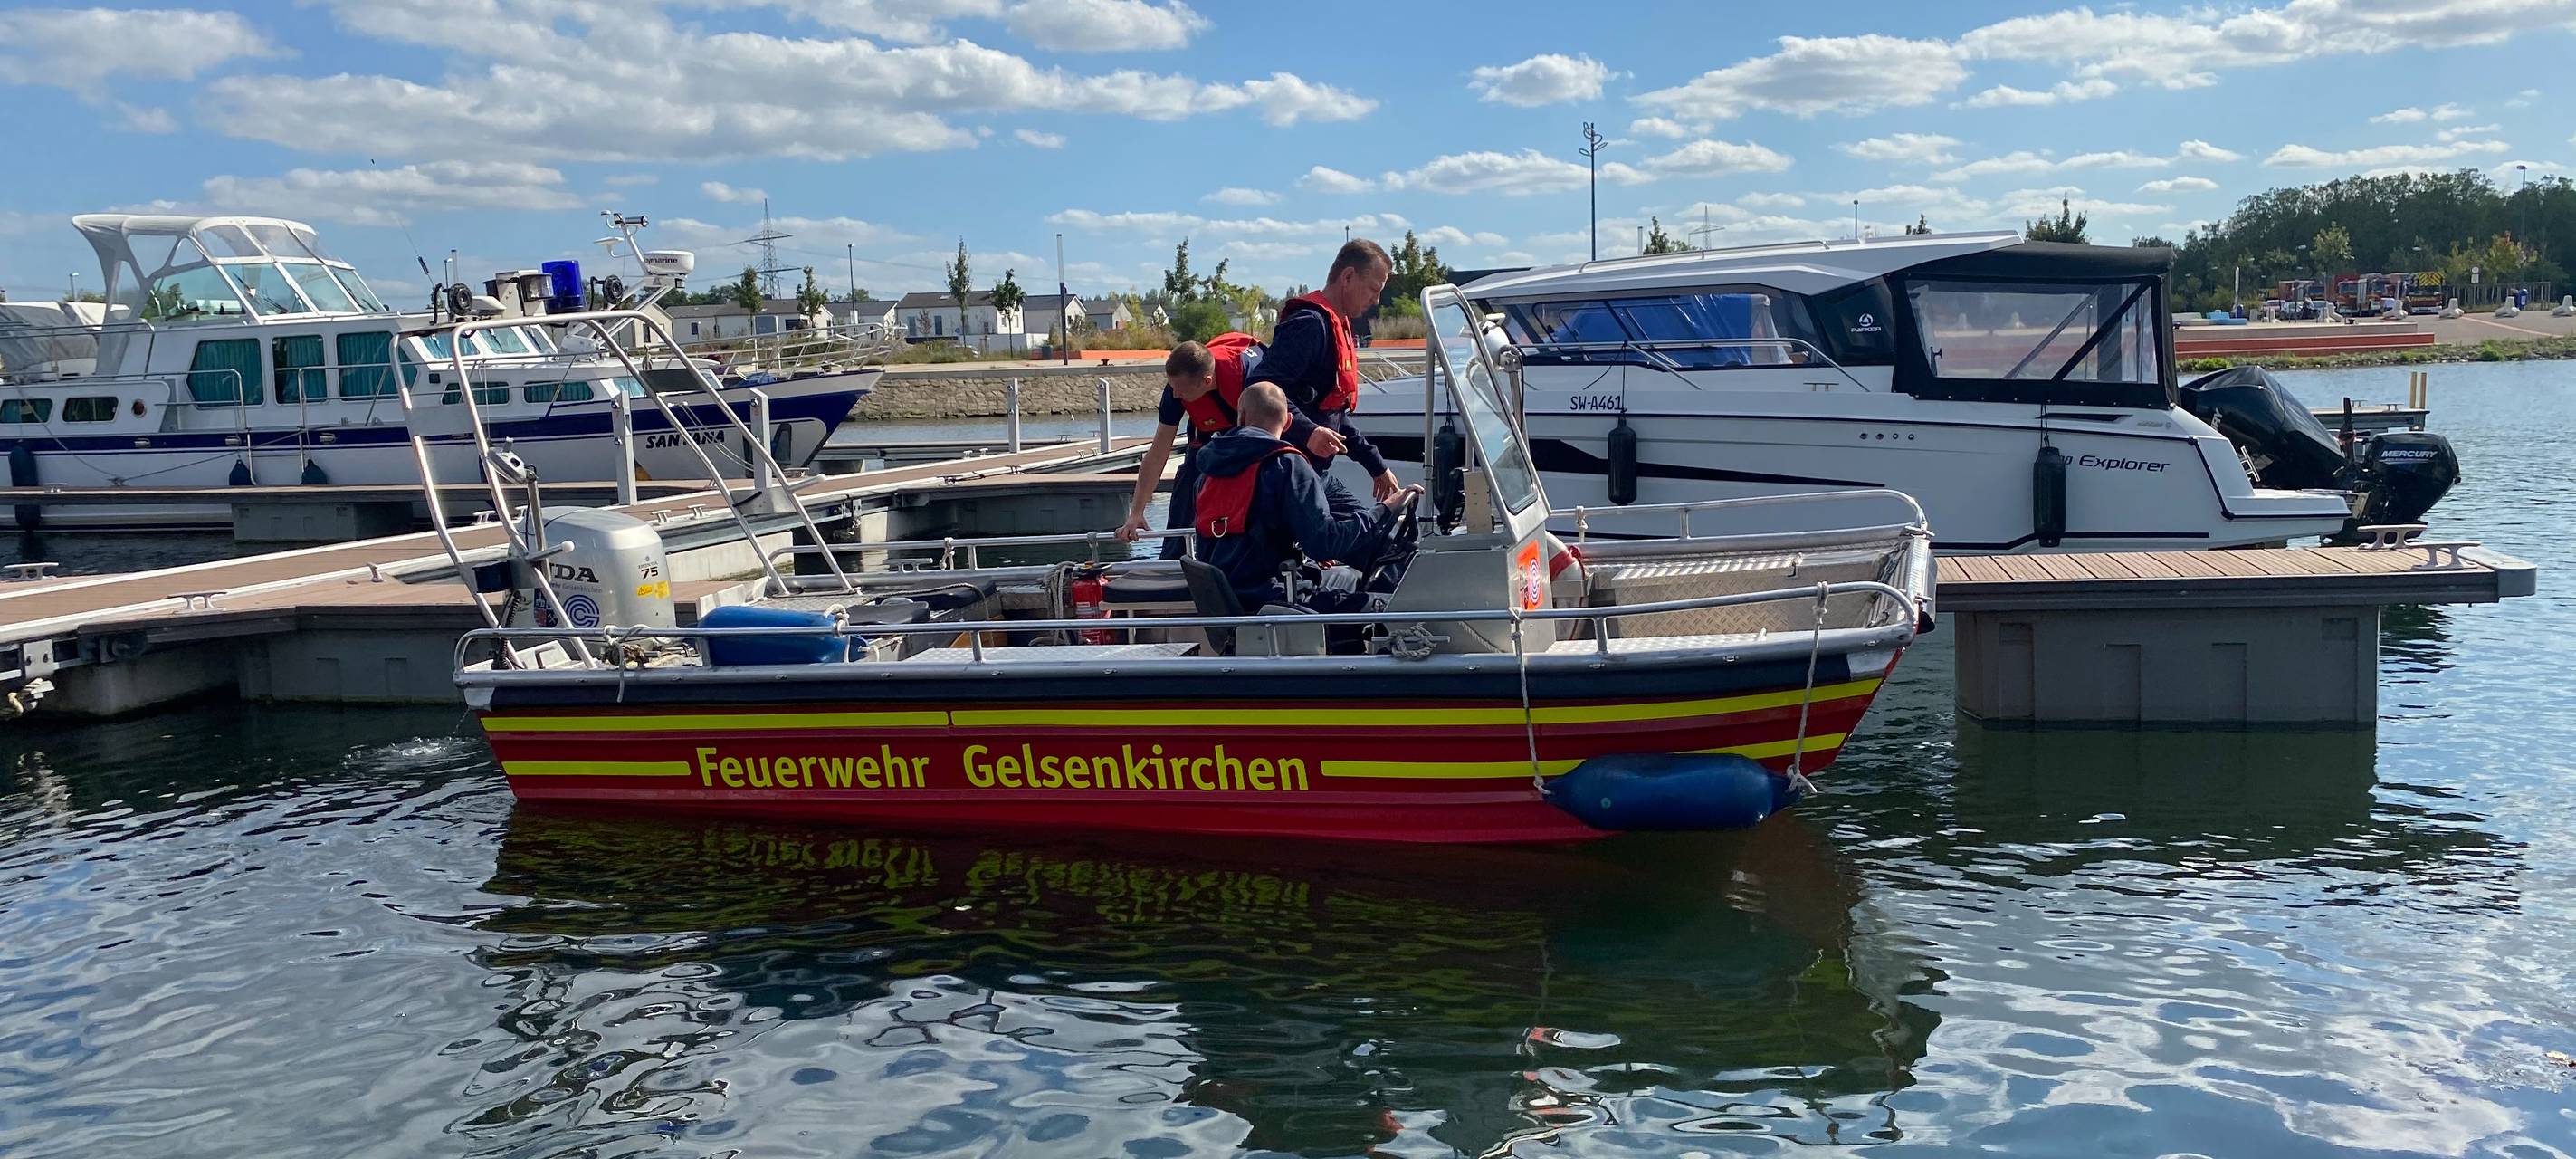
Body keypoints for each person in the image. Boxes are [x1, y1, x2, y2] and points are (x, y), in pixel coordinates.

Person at [1193, 383, 1419, 612]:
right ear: (1289, 421)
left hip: (1230, 599)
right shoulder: (1288, 466)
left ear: (1240, 417)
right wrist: (1385, 509)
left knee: (1344, 579)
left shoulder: (1207, 473)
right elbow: (1325, 544)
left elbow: (1248, 537)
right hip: (1279, 597)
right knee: (1393, 609)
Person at [1251, 239, 1403, 508]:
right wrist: (1309, 432)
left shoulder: (1336, 325)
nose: (1376, 300)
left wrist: (1377, 467)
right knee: (1360, 535)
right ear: (1348, 277)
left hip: (1315, 472)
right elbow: (1260, 388)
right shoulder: (1310, 325)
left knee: (1374, 533)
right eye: (1373, 289)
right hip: (1291, 474)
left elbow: (1333, 412)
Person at [1118, 340, 1237, 560]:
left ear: (1206, 381)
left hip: (1246, 435)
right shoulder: (1175, 391)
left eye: (1180, 391)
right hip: (1206, 433)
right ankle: (1173, 562)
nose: (1175, 395)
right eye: (1172, 387)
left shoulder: (1249, 382)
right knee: (1188, 487)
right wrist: (1136, 512)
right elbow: (1158, 453)